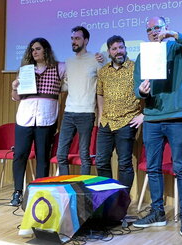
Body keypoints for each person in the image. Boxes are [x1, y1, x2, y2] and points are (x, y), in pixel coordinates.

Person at [132, 17, 182, 236]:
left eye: (158, 27)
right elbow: (137, 86)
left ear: (165, 27)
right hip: (153, 117)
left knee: (181, 168)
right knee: (153, 168)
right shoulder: (143, 56)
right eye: (149, 29)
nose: (154, 32)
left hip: (176, 117)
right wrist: (142, 92)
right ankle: (157, 213)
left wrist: (175, 35)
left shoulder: (178, 49)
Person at [10, 37, 65, 206]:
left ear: (46, 50)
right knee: (20, 154)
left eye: (38, 48)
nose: (35, 52)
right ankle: (17, 191)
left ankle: (40, 191)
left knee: (42, 157)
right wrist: (14, 88)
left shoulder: (59, 67)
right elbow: (16, 97)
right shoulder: (26, 70)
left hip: (45, 119)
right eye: (32, 49)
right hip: (25, 118)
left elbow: (73, 79)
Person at [96, 35, 143, 192]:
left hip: (127, 121)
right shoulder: (103, 71)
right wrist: (100, 115)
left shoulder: (136, 68)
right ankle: (106, 199)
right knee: (101, 161)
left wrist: (143, 115)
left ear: (125, 48)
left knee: (124, 164)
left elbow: (148, 92)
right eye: (114, 49)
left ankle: (121, 203)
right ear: (109, 52)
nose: (118, 51)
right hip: (106, 123)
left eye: (121, 47)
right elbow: (100, 93)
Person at [56, 26, 105, 175]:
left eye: (77, 38)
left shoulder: (96, 59)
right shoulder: (68, 61)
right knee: (61, 154)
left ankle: (82, 191)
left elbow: (103, 82)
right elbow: (67, 85)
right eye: (72, 38)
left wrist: (103, 57)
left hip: (86, 113)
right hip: (69, 113)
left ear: (86, 40)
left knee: (84, 155)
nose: (74, 41)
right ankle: (66, 189)